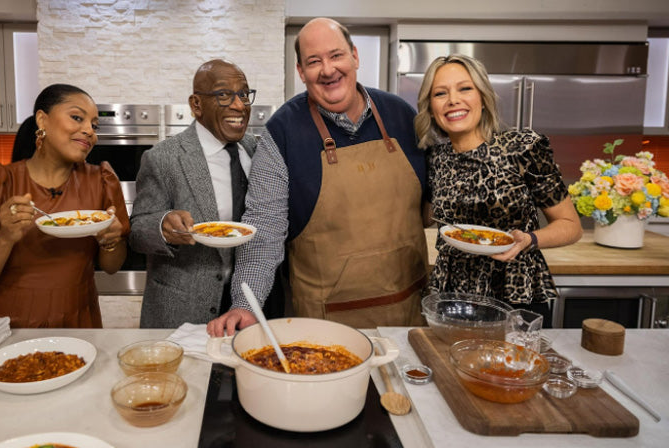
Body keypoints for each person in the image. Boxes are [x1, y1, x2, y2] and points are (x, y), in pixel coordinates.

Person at [207, 18, 429, 337]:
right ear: (301, 72)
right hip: (324, 325)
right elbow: (265, 226)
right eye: (314, 61)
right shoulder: (281, 133)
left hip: (407, 318)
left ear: (354, 56)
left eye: (336, 55)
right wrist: (245, 303)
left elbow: (438, 202)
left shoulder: (402, 116)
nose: (327, 70)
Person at [416, 54, 582, 326]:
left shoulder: (524, 147)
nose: (453, 100)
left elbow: (570, 225)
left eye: (465, 88)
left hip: (515, 293)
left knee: (516, 368)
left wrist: (528, 239)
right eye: (440, 93)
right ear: (431, 107)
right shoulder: (434, 158)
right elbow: (426, 218)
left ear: (482, 97)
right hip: (453, 297)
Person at [0, 83, 130, 328]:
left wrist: (111, 240)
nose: (89, 131)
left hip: (77, 321)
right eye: (77, 118)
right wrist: (5, 236)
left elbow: (112, 267)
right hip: (3, 325)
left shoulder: (102, 181)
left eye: (94, 126)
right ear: (42, 120)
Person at [130, 59, 283, 328]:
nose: (239, 106)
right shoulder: (163, 158)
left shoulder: (256, 149)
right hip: (185, 308)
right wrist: (162, 227)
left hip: (248, 302)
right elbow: (137, 231)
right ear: (196, 105)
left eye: (244, 94)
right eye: (224, 95)